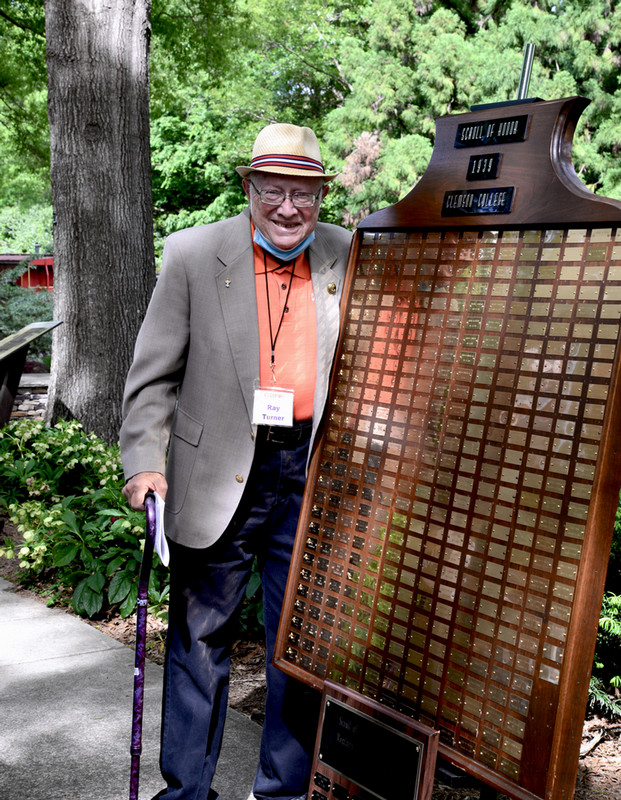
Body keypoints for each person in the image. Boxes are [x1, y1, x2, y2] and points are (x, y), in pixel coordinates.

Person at [120, 123, 352, 800]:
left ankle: (281, 790)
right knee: (198, 643)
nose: (288, 207)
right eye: (273, 190)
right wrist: (143, 461)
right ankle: (187, 792)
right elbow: (152, 376)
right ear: (248, 187)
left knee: (295, 650)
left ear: (319, 195)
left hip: (307, 476)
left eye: (302, 193)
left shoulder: (349, 251)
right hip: (215, 472)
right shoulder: (193, 253)